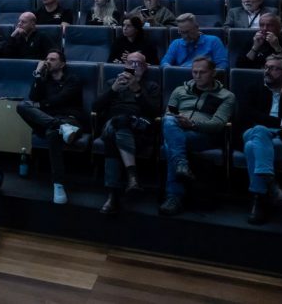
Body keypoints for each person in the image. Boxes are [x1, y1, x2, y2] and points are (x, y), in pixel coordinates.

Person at [159, 56, 235, 216]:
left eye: (202, 72)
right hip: (178, 131)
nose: (198, 76)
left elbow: (218, 124)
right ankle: (180, 170)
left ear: (213, 73)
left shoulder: (226, 96)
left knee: (170, 145)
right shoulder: (179, 90)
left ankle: (174, 195)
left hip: (203, 136)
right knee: (168, 120)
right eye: (194, 72)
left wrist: (192, 124)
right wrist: (180, 121)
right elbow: (169, 113)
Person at [240, 55, 282, 224]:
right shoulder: (253, 90)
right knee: (259, 131)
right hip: (259, 133)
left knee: (251, 146)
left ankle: (260, 197)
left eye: (274, 68)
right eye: (266, 67)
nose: (268, 71)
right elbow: (246, 114)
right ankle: (271, 187)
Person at [94, 53, 161, 214]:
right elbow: (95, 108)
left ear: (145, 67)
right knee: (117, 123)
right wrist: (113, 90)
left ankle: (112, 195)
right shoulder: (113, 82)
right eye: (131, 63)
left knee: (115, 133)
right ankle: (132, 178)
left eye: (138, 63)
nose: (134, 66)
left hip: (139, 127)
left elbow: (154, 112)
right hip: (112, 124)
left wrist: (137, 90)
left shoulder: (151, 86)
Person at [16, 50, 85, 204]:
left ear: (62, 64)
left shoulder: (73, 79)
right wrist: (38, 74)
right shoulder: (44, 80)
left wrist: (41, 104)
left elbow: (60, 99)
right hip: (49, 120)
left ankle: (58, 185)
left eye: (52, 59)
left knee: (53, 134)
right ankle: (60, 126)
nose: (48, 61)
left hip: (71, 120)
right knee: (22, 106)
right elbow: (33, 97)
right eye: (46, 58)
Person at [162, 13, 228, 70]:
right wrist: (168, 67)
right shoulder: (176, 43)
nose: (185, 36)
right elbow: (164, 62)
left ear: (197, 27)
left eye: (188, 32)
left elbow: (222, 66)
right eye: (182, 32)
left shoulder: (213, 41)